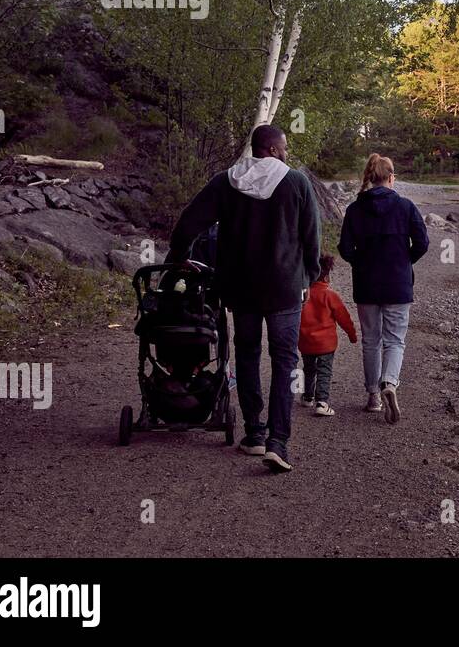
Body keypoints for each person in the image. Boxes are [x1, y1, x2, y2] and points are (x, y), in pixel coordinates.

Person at [167, 124, 320, 473]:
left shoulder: (226, 181)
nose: (286, 153)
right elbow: (311, 236)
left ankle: (254, 433)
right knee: (284, 361)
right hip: (284, 288)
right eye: (283, 148)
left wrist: (179, 258)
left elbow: (189, 221)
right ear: (270, 148)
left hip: (241, 287)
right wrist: (308, 277)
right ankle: (278, 443)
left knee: (248, 353)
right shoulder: (296, 183)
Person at [338, 154, 428, 422]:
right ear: (391, 178)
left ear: (370, 177)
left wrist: (361, 264)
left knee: (371, 341)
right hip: (398, 284)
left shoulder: (355, 209)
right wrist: (403, 261)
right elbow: (422, 243)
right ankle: (389, 382)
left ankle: (373, 396)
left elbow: (345, 248)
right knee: (395, 340)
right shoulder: (406, 206)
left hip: (366, 284)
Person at [298, 254, 357, 416]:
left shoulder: (303, 296)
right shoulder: (330, 295)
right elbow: (344, 318)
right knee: (324, 370)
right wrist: (352, 335)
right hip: (326, 344)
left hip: (306, 342)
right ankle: (322, 402)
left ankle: (308, 397)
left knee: (309, 369)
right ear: (326, 275)